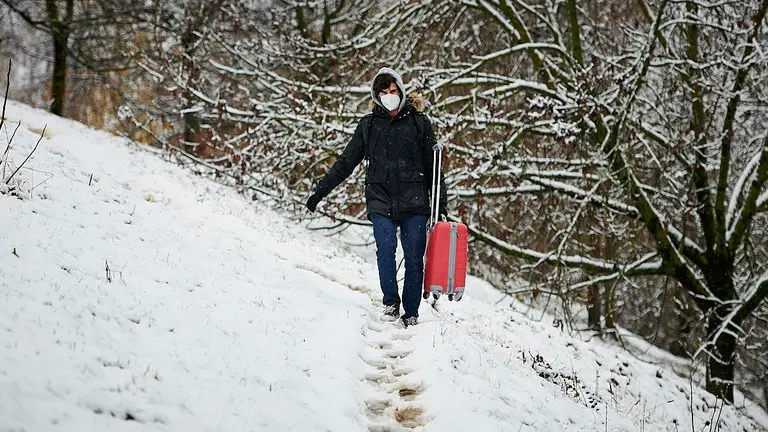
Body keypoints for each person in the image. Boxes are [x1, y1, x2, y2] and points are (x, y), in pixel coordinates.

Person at [305, 67, 447, 327]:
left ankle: (411, 312)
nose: (389, 96)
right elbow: (346, 162)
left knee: (414, 256)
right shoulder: (369, 126)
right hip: (380, 199)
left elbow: (434, 168)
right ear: (376, 95)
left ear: (402, 92)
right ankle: (391, 303)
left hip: (415, 200)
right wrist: (319, 192)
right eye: (384, 92)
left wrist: (441, 207)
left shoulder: (419, 123)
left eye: (393, 91)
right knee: (386, 250)